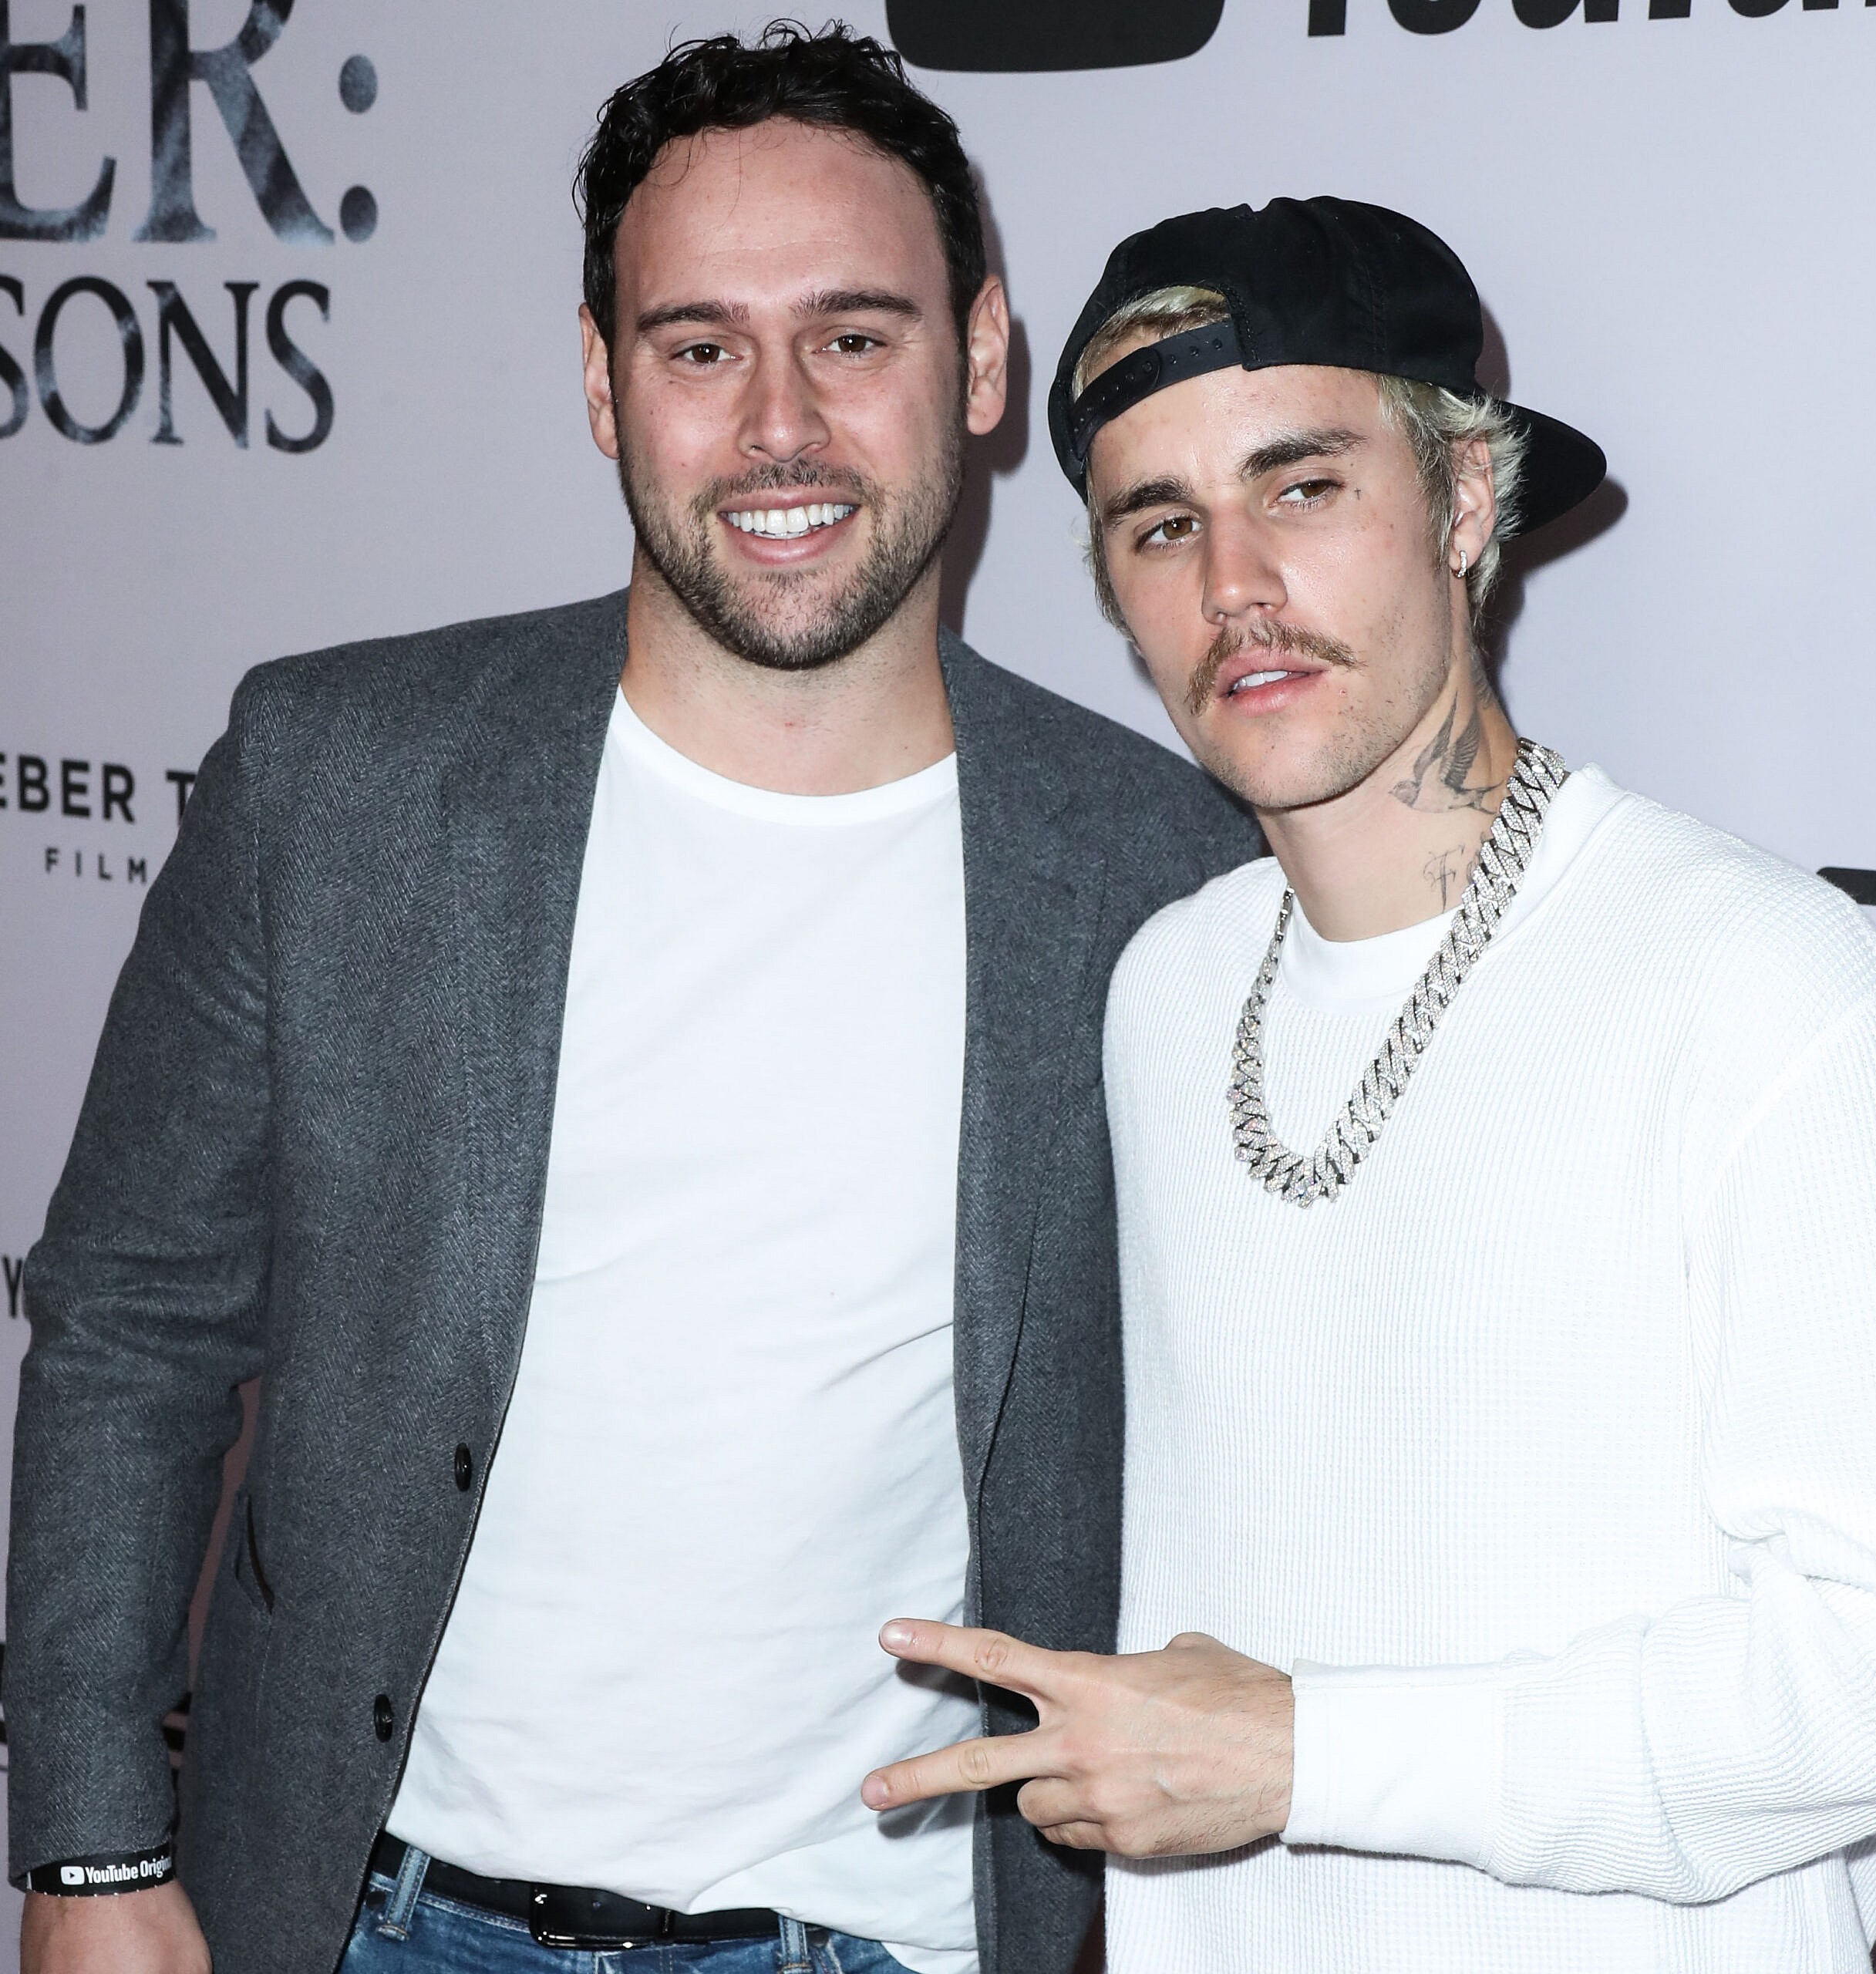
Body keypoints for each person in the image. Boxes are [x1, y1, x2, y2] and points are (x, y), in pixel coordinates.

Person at [3, 31, 1257, 1974]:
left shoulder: (1159, 876)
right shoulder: (333, 778)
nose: (778, 425)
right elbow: (127, 1330)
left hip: (886, 1936)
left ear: (982, 359)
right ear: (602, 384)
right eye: (697, 347)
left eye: (853, 336)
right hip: (365, 1914)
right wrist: (87, 1847)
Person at [861, 195, 1876, 1972]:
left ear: (1465, 502)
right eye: (1160, 523)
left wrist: (1314, 1752)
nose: (1231, 585)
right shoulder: (1164, 993)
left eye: (1299, 485)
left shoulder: (1756, 985)